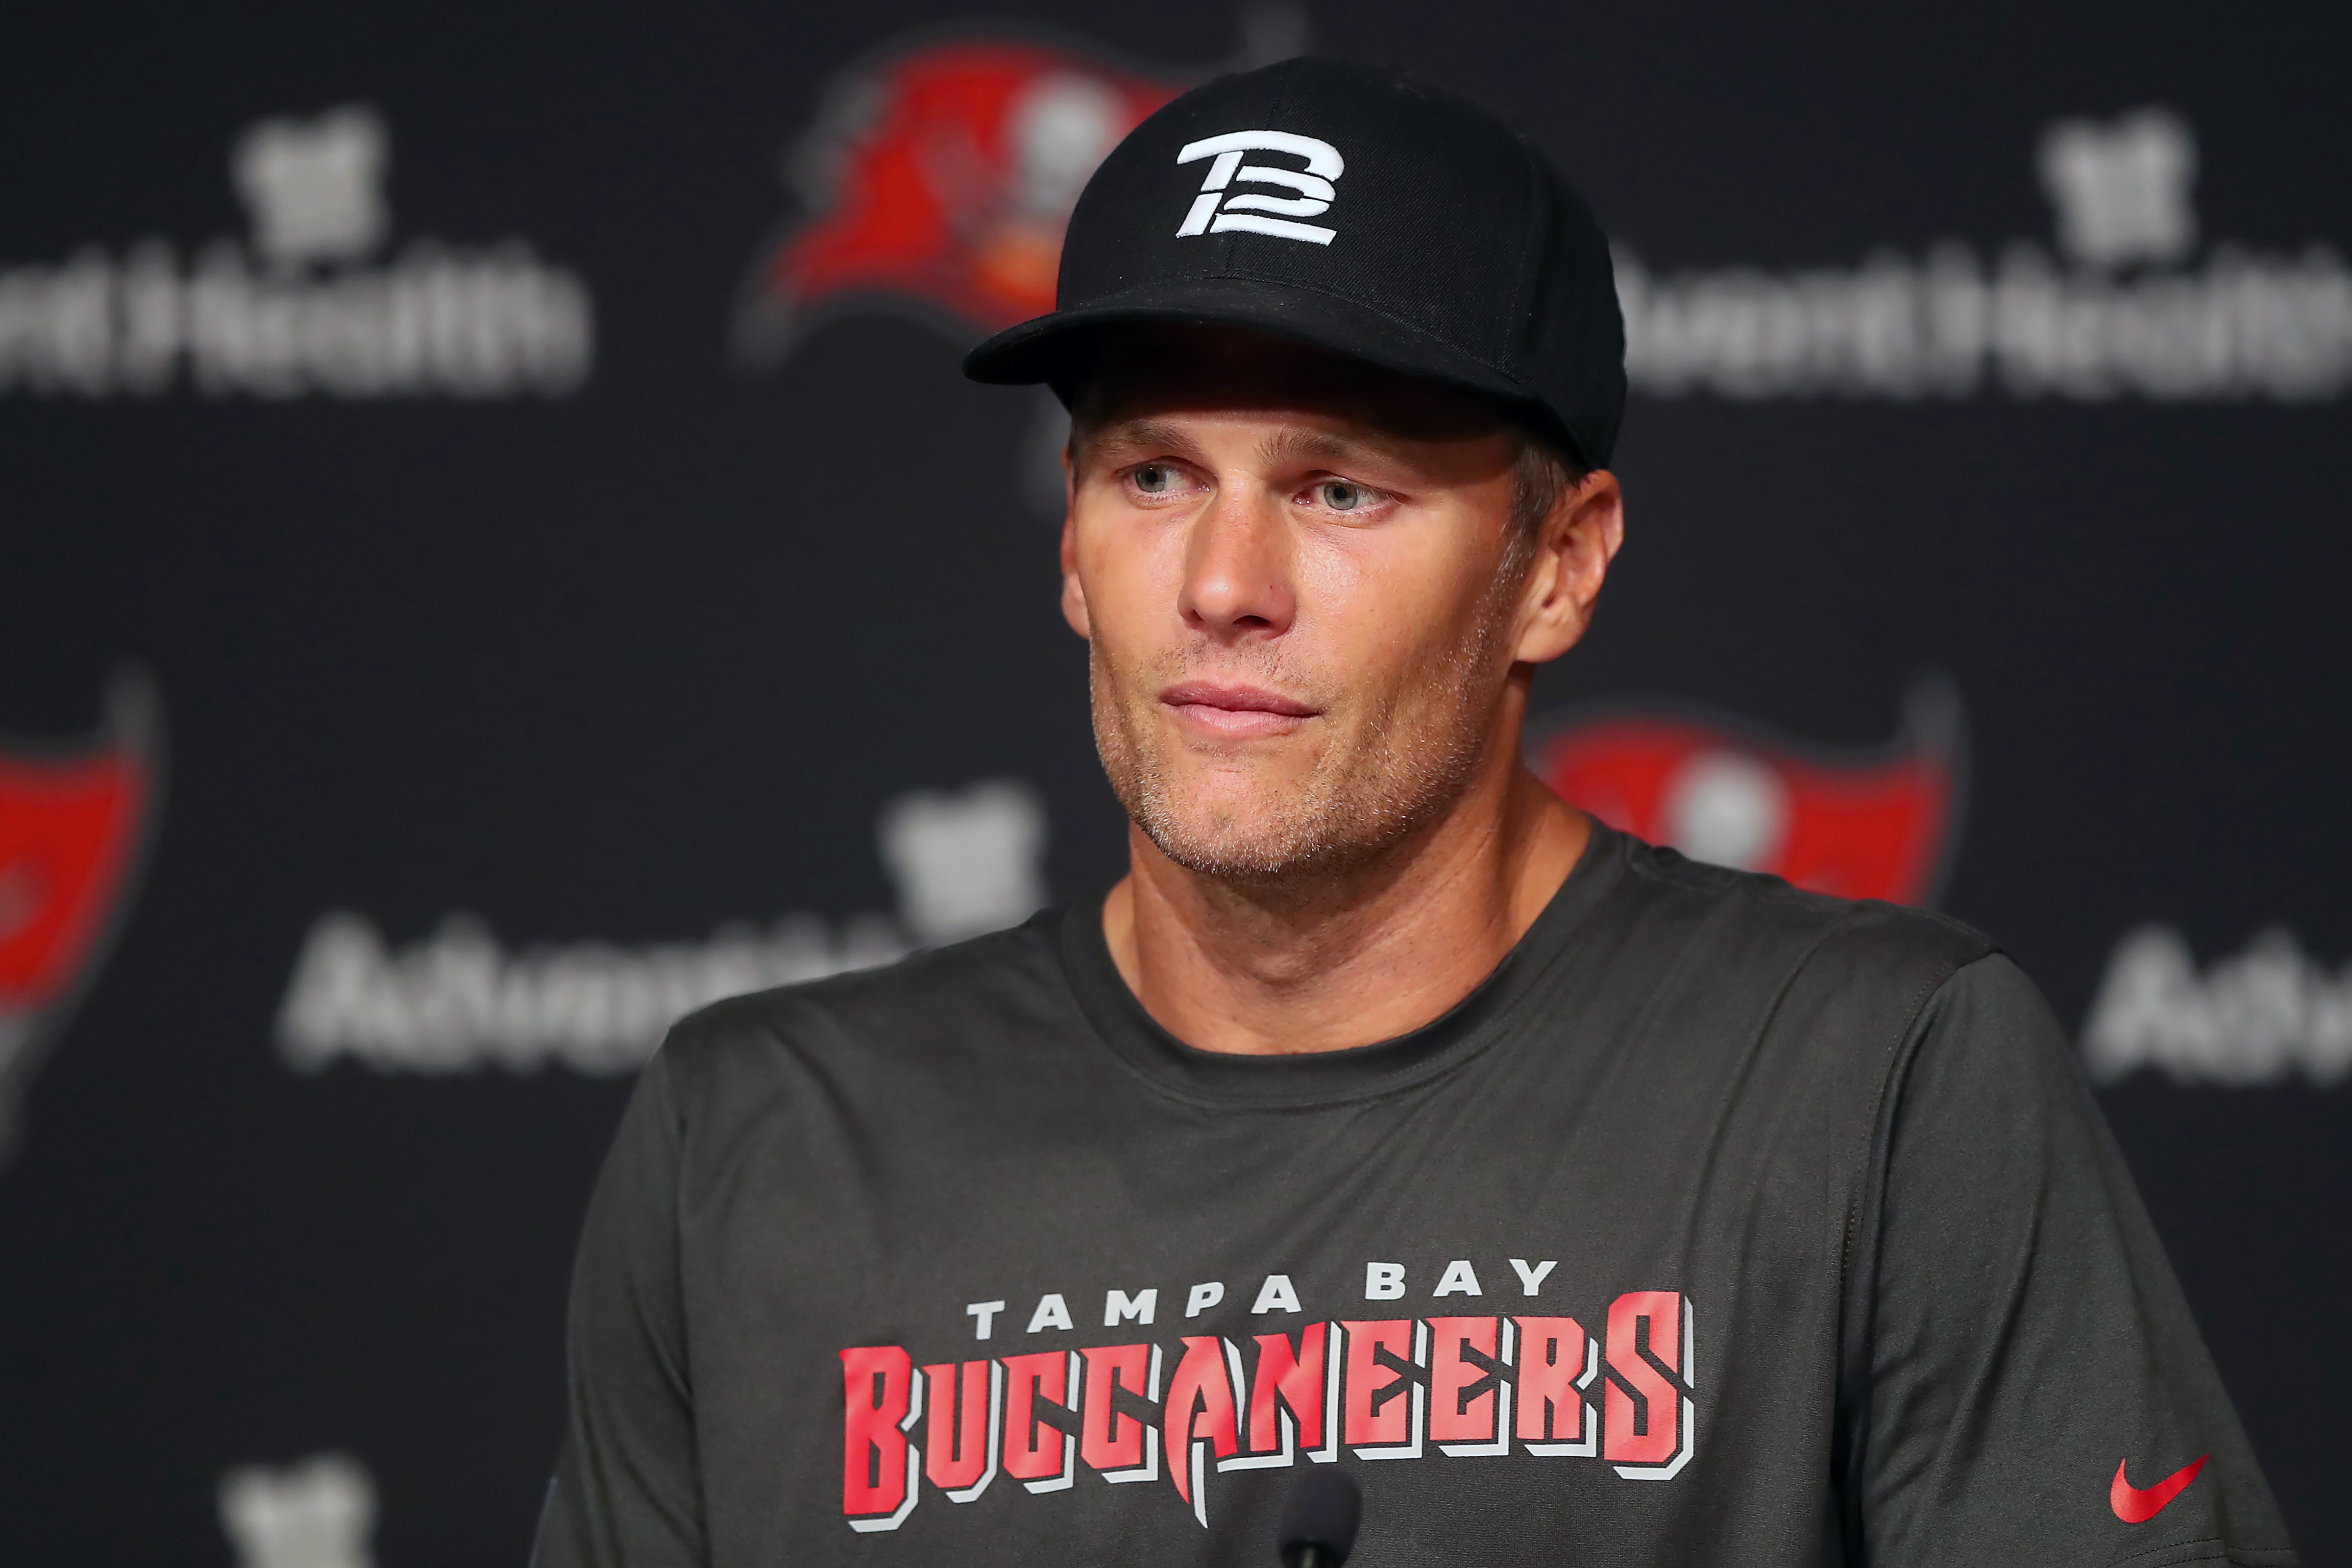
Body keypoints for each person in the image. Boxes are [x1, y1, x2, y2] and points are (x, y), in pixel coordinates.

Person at [531, 57, 2296, 1568]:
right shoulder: (752, 1144)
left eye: (1341, 489)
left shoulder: (1872, 1081)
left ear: (1559, 568)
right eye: (1156, 475)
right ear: (1073, 539)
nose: (1225, 583)